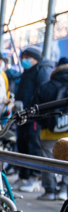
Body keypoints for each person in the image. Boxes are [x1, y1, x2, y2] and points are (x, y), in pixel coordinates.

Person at [13, 45, 54, 192]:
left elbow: (41, 93)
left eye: (27, 58)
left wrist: (34, 110)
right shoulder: (28, 72)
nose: (24, 60)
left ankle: (34, 178)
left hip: (34, 116)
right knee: (22, 145)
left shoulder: (42, 71)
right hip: (24, 114)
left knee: (33, 146)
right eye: (23, 57)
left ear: (35, 59)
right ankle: (23, 176)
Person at [35, 56, 68, 199]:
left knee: (48, 160)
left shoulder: (45, 86)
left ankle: (50, 190)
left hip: (48, 131)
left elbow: (35, 109)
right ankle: (64, 190)